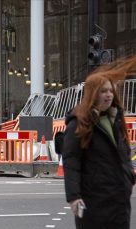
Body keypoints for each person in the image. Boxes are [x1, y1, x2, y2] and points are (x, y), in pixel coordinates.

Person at [63, 58, 136, 229]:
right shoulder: (79, 123)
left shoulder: (115, 119)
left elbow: (123, 154)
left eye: (111, 91)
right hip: (94, 201)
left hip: (119, 200)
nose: (109, 95)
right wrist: (74, 196)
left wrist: (129, 176)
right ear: (93, 93)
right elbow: (71, 161)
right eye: (103, 91)